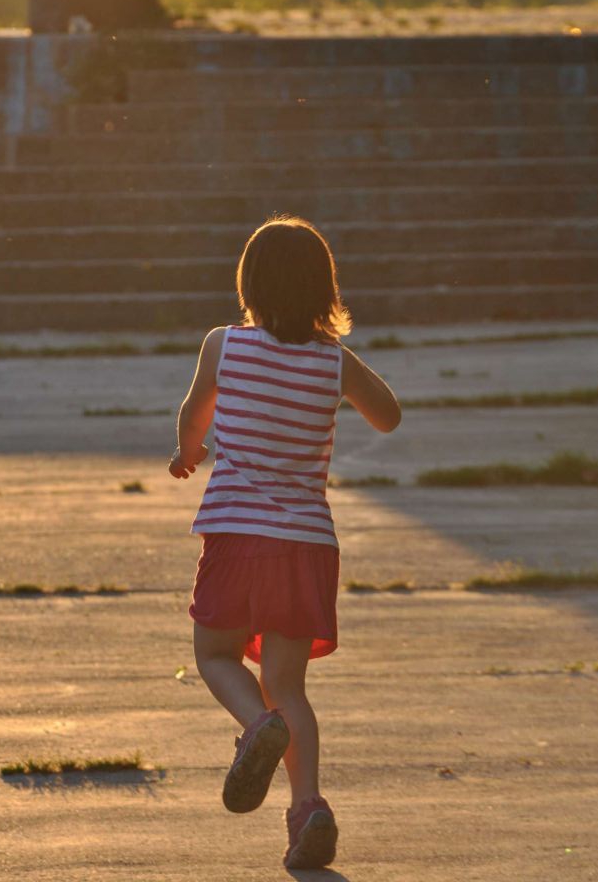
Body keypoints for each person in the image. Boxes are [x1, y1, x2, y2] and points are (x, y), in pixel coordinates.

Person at [168, 215, 401, 870]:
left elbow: (194, 416)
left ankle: (253, 730)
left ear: (250, 284)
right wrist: (344, 372)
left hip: (238, 532)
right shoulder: (334, 362)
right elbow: (388, 416)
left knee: (215, 654)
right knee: (288, 686)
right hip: (306, 543)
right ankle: (309, 808)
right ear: (325, 289)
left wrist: (187, 454)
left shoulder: (224, 346)